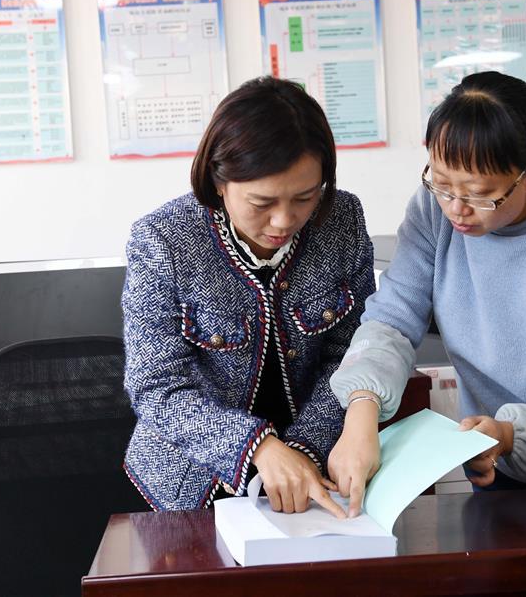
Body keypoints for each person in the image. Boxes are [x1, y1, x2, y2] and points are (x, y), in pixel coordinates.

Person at [328, 72, 526, 516]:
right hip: (494, 459)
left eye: (480, 195)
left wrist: (509, 434)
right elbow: (392, 318)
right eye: (441, 184)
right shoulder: (433, 211)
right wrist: (362, 408)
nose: (456, 209)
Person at [121, 77, 375, 517]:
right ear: (218, 181)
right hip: (191, 486)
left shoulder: (342, 220)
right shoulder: (163, 240)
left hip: (316, 470)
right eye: (261, 202)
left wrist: (304, 449)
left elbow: (350, 353)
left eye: (305, 197)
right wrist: (259, 448)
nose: (283, 220)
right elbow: (156, 388)